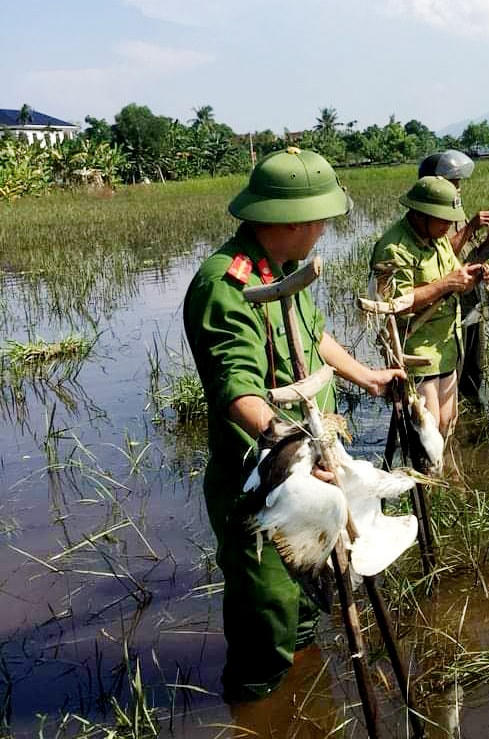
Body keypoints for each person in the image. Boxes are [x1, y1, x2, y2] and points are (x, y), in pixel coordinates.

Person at [183, 147, 403, 704]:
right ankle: (255, 707)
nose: (327, 228)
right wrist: (295, 450)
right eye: (324, 218)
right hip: (266, 483)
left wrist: (368, 378)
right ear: (296, 220)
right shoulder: (226, 284)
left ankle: (301, 699)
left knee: (312, 598)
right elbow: (237, 389)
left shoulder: (285, 273)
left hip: (316, 477)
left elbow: (314, 336)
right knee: (269, 616)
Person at [369, 175, 489, 440]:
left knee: (448, 422)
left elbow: (454, 275)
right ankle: (426, 480)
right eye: (443, 219)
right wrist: (445, 284)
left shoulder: (437, 238)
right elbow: (393, 305)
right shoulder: (394, 249)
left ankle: (447, 478)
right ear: (419, 214)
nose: (450, 226)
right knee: (429, 430)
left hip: (446, 345)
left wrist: (473, 275)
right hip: (416, 348)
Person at [417, 150, 489, 404]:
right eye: (452, 185)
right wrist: (470, 226)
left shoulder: (455, 210)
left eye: (458, 185)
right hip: (448, 307)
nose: (457, 190)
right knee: (451, 371)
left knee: (473, 368)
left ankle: (472, 428)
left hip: (472, 300)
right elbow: (444, 257)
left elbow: (469, 256)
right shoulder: (432, 217)